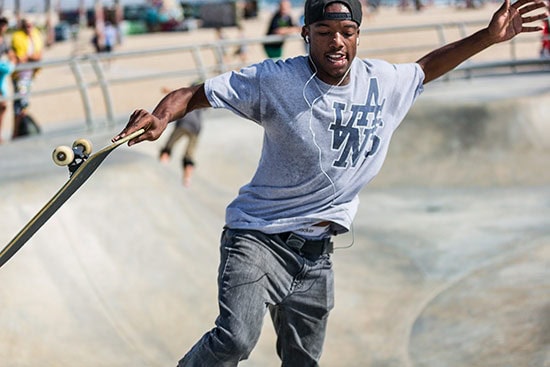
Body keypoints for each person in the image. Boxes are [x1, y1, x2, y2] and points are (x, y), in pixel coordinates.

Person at [113, 0, 548, 365]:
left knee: (304, 362)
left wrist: (488, 37)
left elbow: (428, 66)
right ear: (306, 33)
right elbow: (192, 94)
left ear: (358, 35)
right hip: (257, 240)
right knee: (236, 339)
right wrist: (159, 116)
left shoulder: (384, 83)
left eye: (346, 31)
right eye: (323, 31)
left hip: (317, 257)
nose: (335, 41)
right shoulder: (275, 80)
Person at [158, 86, 203, 187]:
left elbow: (178, 95)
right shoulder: (201, 99)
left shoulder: (188, 94)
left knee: (169, 145)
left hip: (184, 123)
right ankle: (187, 179)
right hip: (196, 128)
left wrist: (167, 91)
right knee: (189, 155)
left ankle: (162, 166)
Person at [11, 18, 43, 139]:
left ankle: (18, 131)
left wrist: (29, 57)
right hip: (20, 75)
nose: (29, 28)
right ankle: (16, 132)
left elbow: (38, 55)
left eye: (30, 25)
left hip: (30, 74)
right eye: (26, 26)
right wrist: (30, 57)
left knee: (24, 102)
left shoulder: (36, 36)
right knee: (20, 103)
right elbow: (20, 58)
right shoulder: (17, 37)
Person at [0, 16, 16, 144]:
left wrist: (13, 60)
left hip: (1, 76)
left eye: (4, 24)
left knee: (3, 105)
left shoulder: (3, 40)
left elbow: (10, 53)